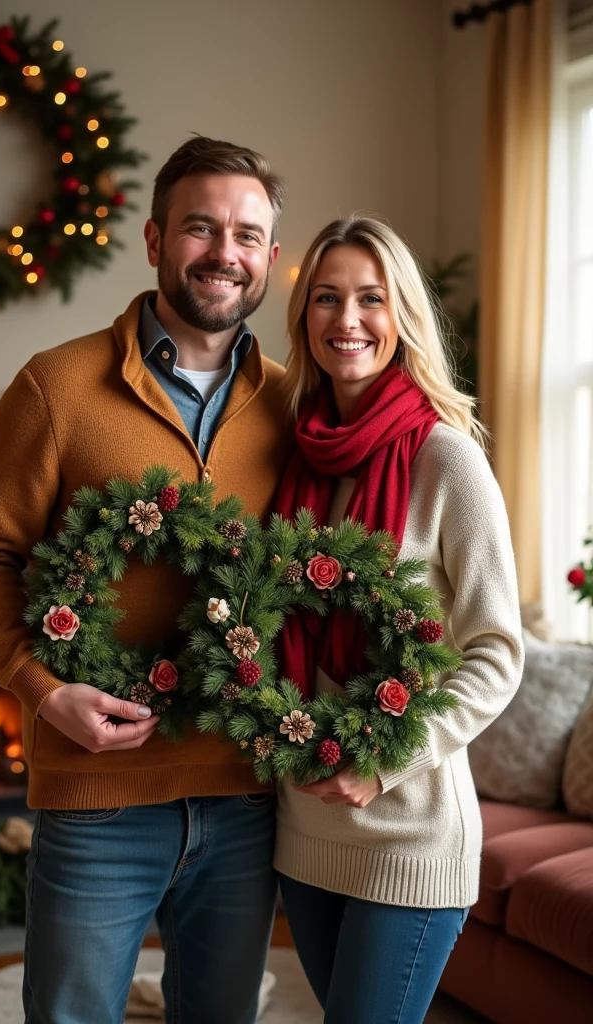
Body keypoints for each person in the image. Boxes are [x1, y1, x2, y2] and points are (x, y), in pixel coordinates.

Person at [0, 136, 291, 1024]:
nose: (225, 252)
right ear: (153, 239)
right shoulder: (55, 388)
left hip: (246, 798)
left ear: (271, 259)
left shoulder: (299, 405)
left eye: (247, 235)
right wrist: (40, 689)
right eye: (200, 228)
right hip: (98, 800)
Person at [273, 216, 524, 1024]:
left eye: (370, 299)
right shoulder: (293, 455)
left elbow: (496, 653)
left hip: (408, 834)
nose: (347, 320)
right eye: (327, 298)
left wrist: (381, 764)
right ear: (304, 316)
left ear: (401, 315)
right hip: (304, 831)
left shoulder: (446, 458)